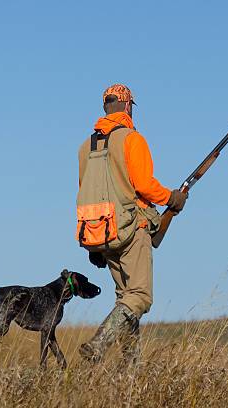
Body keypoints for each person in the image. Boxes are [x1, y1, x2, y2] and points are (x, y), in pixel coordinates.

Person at [77, 83, 187, 362]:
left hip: (101, 235)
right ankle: (99, 343)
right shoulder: (131, 139)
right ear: (128, 107)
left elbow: (85, 191)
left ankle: (130, 369)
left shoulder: (85, 148)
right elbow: (145, 185)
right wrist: (172, 199)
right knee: (139, 296)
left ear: (105, 108)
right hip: (131, 229)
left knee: (125, 298)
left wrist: (95, 249)